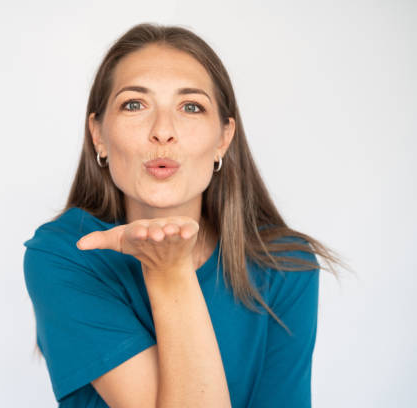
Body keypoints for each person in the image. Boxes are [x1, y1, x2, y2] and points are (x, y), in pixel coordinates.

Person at [23, 22, 343, 408]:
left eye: (190, 107)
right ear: (99, 136)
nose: (163, 131)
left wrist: (171, 267)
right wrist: (169, 271)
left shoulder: (286, 264)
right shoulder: (66, 253)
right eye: (134, 105)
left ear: (223, 139)